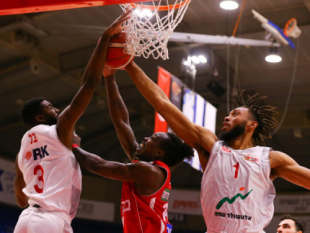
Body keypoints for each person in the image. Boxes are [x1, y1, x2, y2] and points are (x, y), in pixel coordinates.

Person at [124, 61, 310, 233]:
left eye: (235, 114)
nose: (227, 117)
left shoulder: (270, 159)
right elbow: (162, 104)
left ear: (251, 125)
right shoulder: (211, 147)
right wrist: (129, 65)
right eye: (228, 114)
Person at [13, 11, 132, 233]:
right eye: (50, 107)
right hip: (50, 220)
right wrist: (106, 37)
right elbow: (89, 83)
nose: (56, 109)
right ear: (40, 117)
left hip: (28, 218)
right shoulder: (57, 131)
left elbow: (21, 200)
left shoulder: (22, 151)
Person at [72, 66, 194, 233]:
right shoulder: (146, 167)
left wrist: (73, 146)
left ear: (159, 153)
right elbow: (122, 122)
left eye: (152, 139)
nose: (145, 138)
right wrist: (109, 76)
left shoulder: (148, 172)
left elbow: (98, 166)